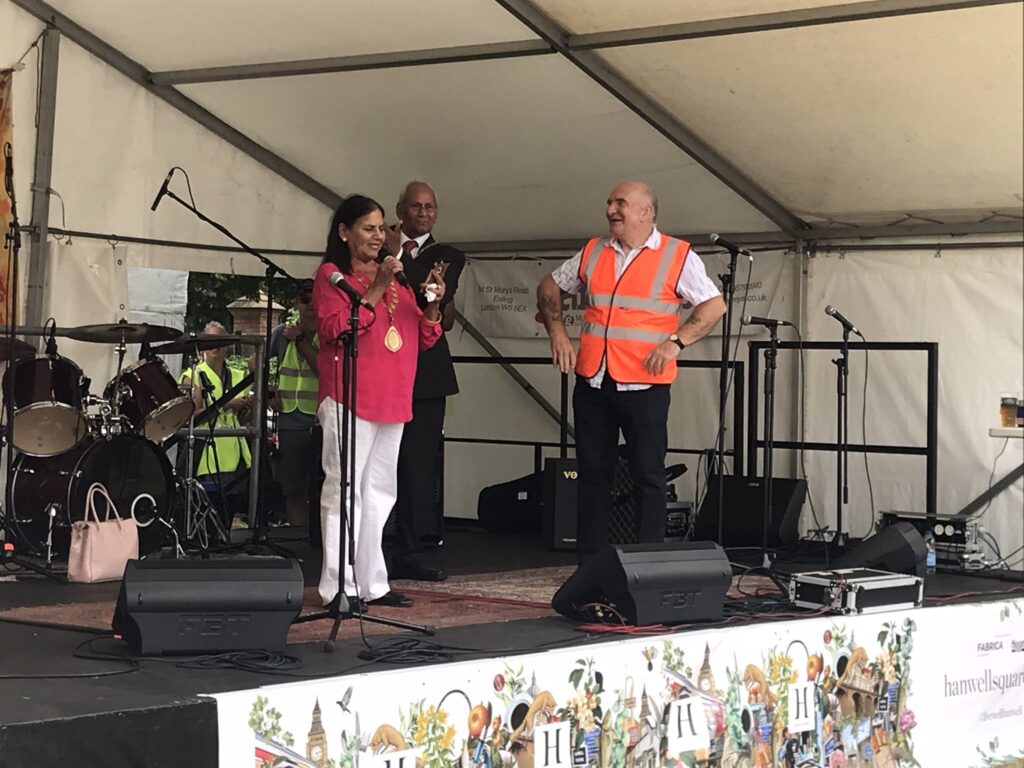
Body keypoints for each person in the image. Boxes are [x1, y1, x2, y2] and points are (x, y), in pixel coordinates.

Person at [536, 180, 726, 563]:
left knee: (648, 477)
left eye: (620, 203)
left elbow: (713, 306)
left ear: (646, 212)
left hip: (645, 385)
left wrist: (676, 342)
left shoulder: (677, 254)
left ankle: (647, 564)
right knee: (592, 475)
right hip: (594, 380)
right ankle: (590, 564)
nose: (611, 210)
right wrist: (558, 332)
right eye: (609, 202)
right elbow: (548, 287)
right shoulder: (593, 250)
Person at [313, 194, 446, 614]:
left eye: (380, 228)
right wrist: (378, 285)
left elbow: (423, 336)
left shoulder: (400, 279)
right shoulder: (332, 275)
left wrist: (433, 304)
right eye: (367, 228)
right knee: (345, 490)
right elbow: (338, 329)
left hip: (393, 397)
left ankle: (372, 582)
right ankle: (338, 587)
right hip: (350, 397)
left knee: (380, 493)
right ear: (344, 232)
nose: (377, 235)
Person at [385, 181, 465, 582]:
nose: (423, 213)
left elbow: (426, 290)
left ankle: (411, 551)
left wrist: (396, 253)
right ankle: (367, 548)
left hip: (428, 377)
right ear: (399, 209)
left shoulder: (447, 255)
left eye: (430, 207)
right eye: (415, 206)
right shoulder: (376, 249)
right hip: (383, 370)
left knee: (416, 467)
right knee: (379, 465)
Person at [179, 321, 253, 527]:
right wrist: (226, 404)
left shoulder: (239, 376)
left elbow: (243, 420)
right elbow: (192, 416)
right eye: (209, 341)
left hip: (236, 456)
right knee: (210, 515)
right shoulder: (193, 375)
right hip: (208, 456)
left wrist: (247, 408)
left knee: (229, 514)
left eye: (219, 341)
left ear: (227, 345)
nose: (215, 346)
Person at [268, 279, 320, 530]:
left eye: (315, 298)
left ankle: (320, 543)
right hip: (291, 421)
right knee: (294, 488)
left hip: (323, 421)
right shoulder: (281, 334)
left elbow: (324, 368)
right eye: (304, 300)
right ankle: (299, 541)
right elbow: (255, 363)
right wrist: (268, 392)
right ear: (297, 304)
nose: (310, 305)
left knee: (323, 487)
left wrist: (300, 340)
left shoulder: (331, 333)